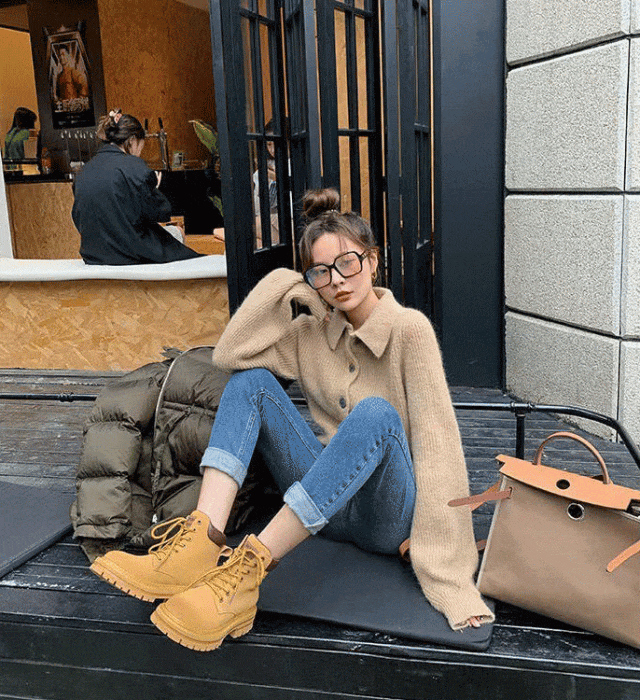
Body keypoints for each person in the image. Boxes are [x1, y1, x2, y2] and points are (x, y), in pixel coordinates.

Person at [90, 187, 494, 650]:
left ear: (373, 261)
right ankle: (201, 542)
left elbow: (439, 447)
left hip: (386, 515)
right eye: (321, 272)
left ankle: (249, 572)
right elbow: (231, 354)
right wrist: (286, 284)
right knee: (252, 383)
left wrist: (447, 569)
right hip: (326, 507)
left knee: (376, 414)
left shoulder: (409, 330)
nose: (337, 281)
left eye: (347, 263)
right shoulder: (309, 333)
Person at [72, 109, 202, 265]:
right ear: (133, 140)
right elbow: (160, 213)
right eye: (141, 146)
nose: (139, 153)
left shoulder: (83, 171)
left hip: (94, 255)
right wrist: (155, 189)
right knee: (179, 234)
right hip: (131, 254)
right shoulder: (134, 166)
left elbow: (79, 216)